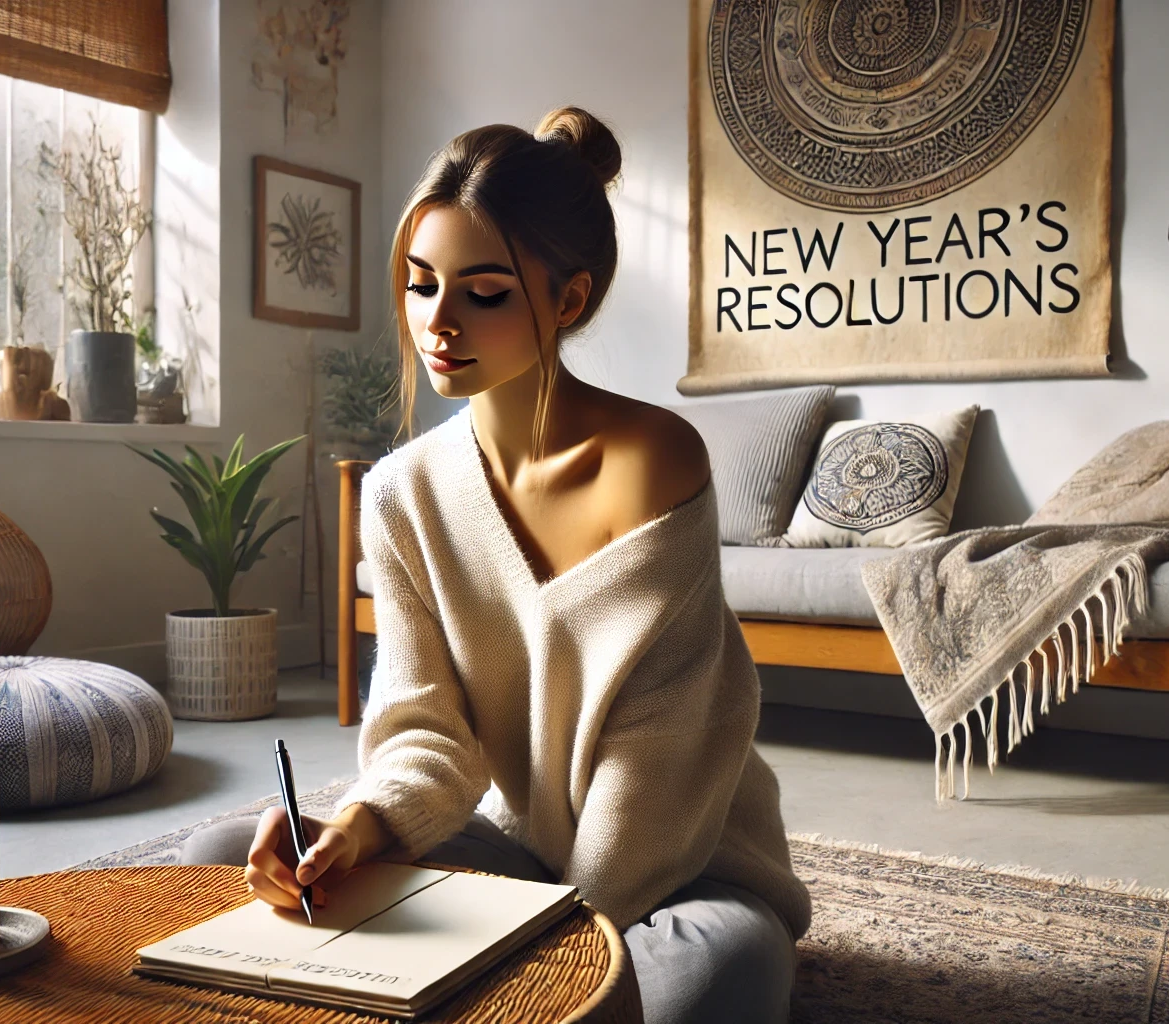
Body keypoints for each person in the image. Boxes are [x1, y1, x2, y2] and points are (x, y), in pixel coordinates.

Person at [181, 105, 811, 1023]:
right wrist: (354, 831)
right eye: (419, 283)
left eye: (483, 293)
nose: (438, 322)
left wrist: (544, 950)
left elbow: (658, 764)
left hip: (681, 874)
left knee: (724, 978)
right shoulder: (402, 494)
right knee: (220, 859)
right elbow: (425, 733)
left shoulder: (655, 461)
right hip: (514, 860)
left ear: (569, 300)